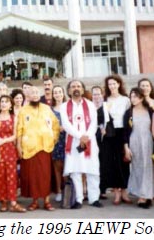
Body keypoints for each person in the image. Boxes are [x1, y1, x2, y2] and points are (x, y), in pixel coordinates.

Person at [16, 86, 60, 211]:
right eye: (32, 93)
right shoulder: (23, 111)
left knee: (45, 176)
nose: (35, 95)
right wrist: (19, 145)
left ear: (39, 95)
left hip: (45, 147)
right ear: (28, 95)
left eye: (36, 92)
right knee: (33, 176)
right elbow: (19, 129)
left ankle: (47, 201)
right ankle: (34, 201)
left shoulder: (47, 108)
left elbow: (55, 125)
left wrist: (53, 138)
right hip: (29, 148)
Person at [60, 80, 103, 209]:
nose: (76, 88)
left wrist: (86, 137)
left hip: (90, 141)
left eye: (78, 86)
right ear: (69, 91)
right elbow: (66, 125)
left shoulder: (90, 105)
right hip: (73, 142)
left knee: (92, 170)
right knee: (75, 171)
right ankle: (78, 199)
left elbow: (94, 123)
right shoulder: (64, 106)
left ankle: (94, 198)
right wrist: (80, 137)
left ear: (83, 90)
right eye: (73, 86)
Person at [101, 74, 132, 205]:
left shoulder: (126, 100)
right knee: (112, 163)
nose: (112, 86)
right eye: (110, 84)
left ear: (119, 84)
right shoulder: (105, 100)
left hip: (122, 132)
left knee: (124, 162)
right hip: (109, 134)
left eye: (114, 83)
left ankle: (124, 191)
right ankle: (116, 193)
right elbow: (101, 118)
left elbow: (129, 118)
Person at [123, 87, 154, 209]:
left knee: (148, 168)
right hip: (134, 141)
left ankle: (147, 195)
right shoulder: (129, 113)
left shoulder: (150, 110)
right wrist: (126, 148)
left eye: (135, 97)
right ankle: (142, 194)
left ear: (141, 98)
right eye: (131, 97)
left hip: (148, 141)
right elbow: (125, 132)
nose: (133, 99)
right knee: (138, 168)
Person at [0, 95, 26, 213]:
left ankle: (13, 202)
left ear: (10, 105)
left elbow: (15, 135)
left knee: (11, 176)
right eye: (2, 101)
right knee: (0, 176)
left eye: (6, 102)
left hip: (10, 150)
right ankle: (3, 201)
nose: (3, 104)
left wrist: (4, 141)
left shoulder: (14, 118)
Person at [91, 85, 110, 199]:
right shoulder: (89, 106)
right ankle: (93, 188)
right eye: (94, 94)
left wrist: (105, 128)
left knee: (103, 162)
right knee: (93, 162)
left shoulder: (106, 106)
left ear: (102, 95)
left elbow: (110, 120)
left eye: (98, 94)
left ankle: (102, 189)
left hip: (103, 137)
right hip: (92, 136)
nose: (96, 96)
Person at [51, 85, 67, 202]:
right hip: (56, 141)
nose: (57, 94)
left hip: (68, 140)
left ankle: (67, 191)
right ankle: (59, 191)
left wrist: (65, 128)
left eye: (59, 92)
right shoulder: (50, 110)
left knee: (67, 167)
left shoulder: (68, 107)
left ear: (63, 93)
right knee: (57, 168)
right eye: (55, 92)